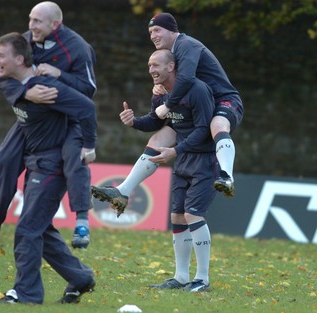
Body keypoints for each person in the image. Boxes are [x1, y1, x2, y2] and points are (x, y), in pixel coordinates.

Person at [0, 1, 96, 252]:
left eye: (37, 21)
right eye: (30, 19)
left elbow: (88, 91)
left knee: (75, 157)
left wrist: (60, 75)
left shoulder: (78, 48)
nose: (31, 26)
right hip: (32, 116)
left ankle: (82, 222)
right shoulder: (24, 42)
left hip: (67, 119)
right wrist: (28, 93)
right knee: (3, 160)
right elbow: (2, 75)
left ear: (55, 24)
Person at [91, 12, 243, 214]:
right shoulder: (170, 56)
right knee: (157, 140)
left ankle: (226, 176)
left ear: (173, 30)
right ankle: (123, 191)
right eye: (150, 32)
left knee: (217, 124)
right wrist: (135, 121)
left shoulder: (186, 44)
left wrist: (168, 104)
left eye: (157, 30)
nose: (153, 35)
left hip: (224, 100)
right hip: (196, 106)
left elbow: (187, 78)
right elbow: (161, 111)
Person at [0, 32, 97, 304]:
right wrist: (26, 93)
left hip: (53, 166)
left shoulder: (52, 84)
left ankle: (27, 293)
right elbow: (2, 79)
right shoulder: (21, 81)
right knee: (41, 229)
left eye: (1, 56)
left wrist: (88, 146)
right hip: (37, 163)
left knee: (28, 229)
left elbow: (87, 104)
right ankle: (81, 277)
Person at [121, 49, 217, 291]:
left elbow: (204, 129)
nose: (151, 70)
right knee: (177, 216)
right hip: (183, 160)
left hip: (204, 161)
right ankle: (181, 277)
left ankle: (202, 279)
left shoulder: (197, 89)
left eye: (156, 65)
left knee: (193, 214)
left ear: (172, 67)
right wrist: (133, 122)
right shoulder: (162, 93)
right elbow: (156, 121)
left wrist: (177, 150)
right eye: (149, 65)